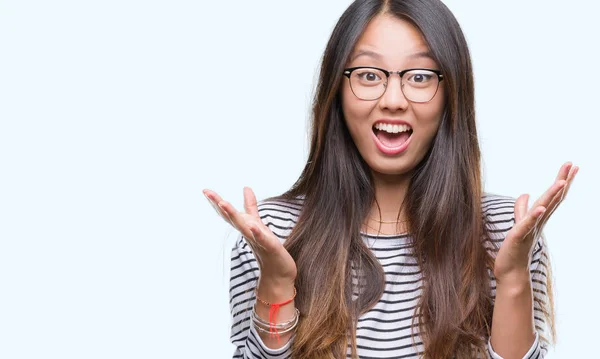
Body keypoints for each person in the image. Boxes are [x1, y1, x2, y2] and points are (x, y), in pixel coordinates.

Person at [203, 0, 578, 357]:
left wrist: (513, 277)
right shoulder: (274, 234)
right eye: (368, 75)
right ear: (337, 92)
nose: (394, 99)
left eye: (419, 76)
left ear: (452, 94)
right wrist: (278, 282)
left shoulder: (504, 231)